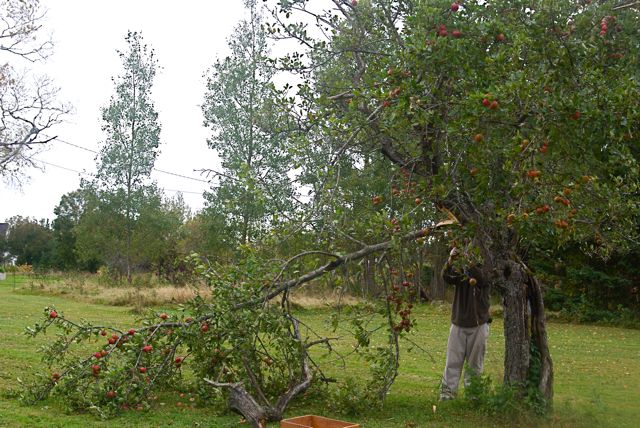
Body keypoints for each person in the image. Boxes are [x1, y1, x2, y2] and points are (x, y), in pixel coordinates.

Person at [439, 244, 491, 400]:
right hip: (458, 323)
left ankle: (473, 396)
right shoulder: (460, 269)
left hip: (479, 324)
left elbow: (482, 279)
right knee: (452, 363)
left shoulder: (487, 266)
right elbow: (446, 277)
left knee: (475, 364)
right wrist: (450, 260)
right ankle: (447, 395)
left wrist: (469, 262)